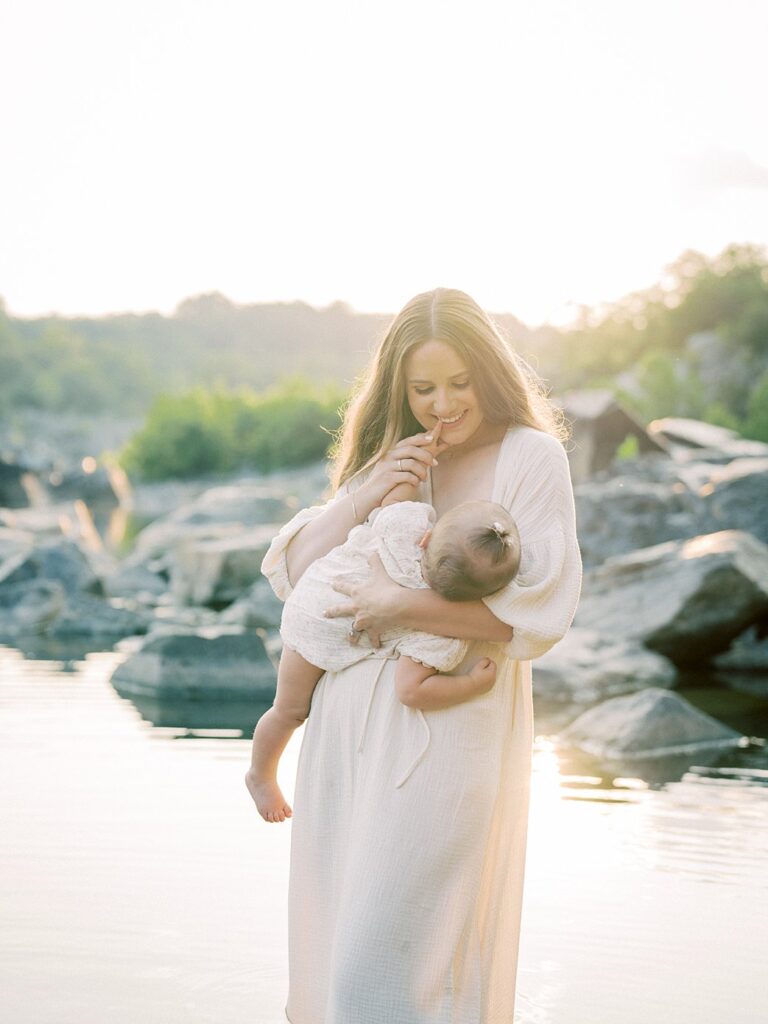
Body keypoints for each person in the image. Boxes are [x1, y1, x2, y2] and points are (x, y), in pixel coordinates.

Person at [259, 287, 582, 1023]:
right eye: (424, 388)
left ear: (490, 374)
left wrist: (399, 605)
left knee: (387, 971)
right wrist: (367, 490)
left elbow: (536, 610)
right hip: (345, 730)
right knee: (337, 955)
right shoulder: (392, 457)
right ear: (399, 390)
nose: (443, 404)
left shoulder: (529, 458)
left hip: (446, 731)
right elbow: (301, 578)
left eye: (461, 383)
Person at [246, 496, 521, 822]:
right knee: (291, 712)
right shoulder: (438, 630)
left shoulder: (405, 527)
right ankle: (259, 777)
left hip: (309, 603)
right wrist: (471, 684)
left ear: (427, 537)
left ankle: (261, 772)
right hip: (318, 635)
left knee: (284, 711)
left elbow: (391, 502)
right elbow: (411, 691)